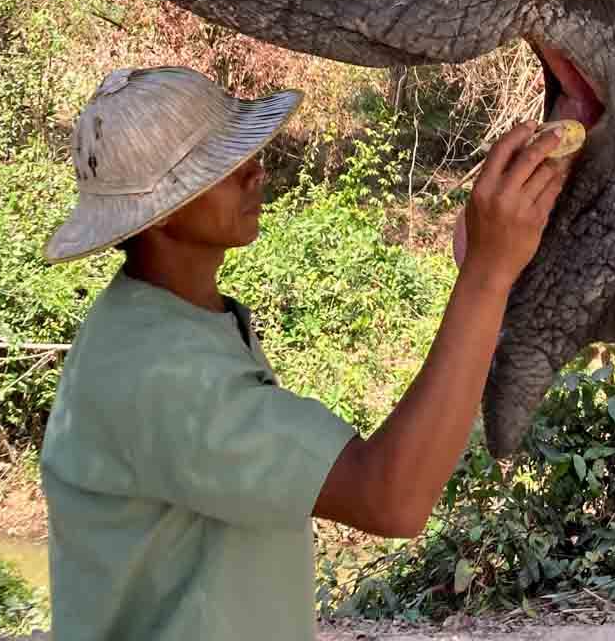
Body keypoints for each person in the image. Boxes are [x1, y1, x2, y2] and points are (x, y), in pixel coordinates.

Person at [38, 65, 572, 641]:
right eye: (225, 165)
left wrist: (481, 271)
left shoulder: (171, 322)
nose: (255, 171)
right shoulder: (158, 370)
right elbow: (391, 498)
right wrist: (489, 276)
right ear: (165, 209)